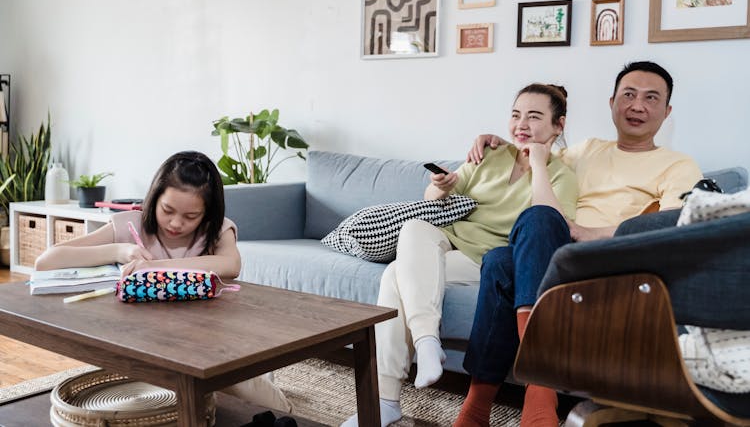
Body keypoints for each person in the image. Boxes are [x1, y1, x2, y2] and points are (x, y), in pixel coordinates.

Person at [456, 61, 704, 426]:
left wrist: (594, 232)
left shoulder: (678, 164)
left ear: (666, 112)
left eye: (651, 98)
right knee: (505, 251)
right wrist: (496, 142)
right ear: (612, 102)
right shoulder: (586, 150)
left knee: (515, 244)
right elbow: (534, 157)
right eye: (628, 95)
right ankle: (486, 405)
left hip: (610, 261)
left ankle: (521, 396)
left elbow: (670, 226)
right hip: (555, 255)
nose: (637, 106)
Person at [342, 83, 578, 427]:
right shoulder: (490, 156)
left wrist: (540, 165)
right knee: (412, 229)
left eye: (534, 117)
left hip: (489, 260)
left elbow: (551, 224)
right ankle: (426, 341)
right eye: (516, 115)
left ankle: (385, 400)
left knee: (394, 276)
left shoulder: (561, 175)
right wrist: (440, 187)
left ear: (559, 126)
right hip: (451, 246)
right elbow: (429, 203)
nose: (521, 125)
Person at [35, 150, 293, 413]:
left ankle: (269, 390)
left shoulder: (216, 231)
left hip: (210, 345)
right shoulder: (129, 225)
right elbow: (46, 261)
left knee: (255, 400)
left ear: (207, 213)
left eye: (191, 216)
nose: (176, 223)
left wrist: (154, 266)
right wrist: (118, 250)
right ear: (154, 198)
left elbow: (231, 265)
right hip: (146, 347)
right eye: (167, 210)